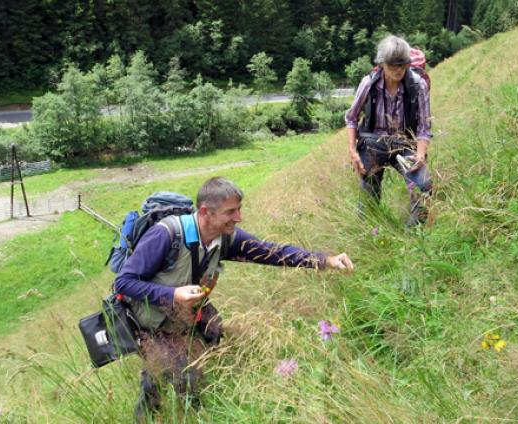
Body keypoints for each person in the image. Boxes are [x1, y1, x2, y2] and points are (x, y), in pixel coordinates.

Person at [114, 176, 354, 420]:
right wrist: (173, 294)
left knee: (213, 340)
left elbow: (271, 252)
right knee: (166, 377)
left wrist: (324, 260)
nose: (238, 217)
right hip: (152, 324)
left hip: (187, 316)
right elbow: (123, 282)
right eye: (231, 211)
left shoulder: (227, 238)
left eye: (239, 209)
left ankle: (197, 410)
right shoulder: (166, 235)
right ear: (206, 211)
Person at [345, 35, 433, 226]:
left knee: (424, 185)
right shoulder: (368, 84)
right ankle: (369, 234)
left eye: (403, 64)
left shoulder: (418, 85)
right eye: (393, 65)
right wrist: (353, 152)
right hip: (373, 141)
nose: (399, 69)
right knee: (369, 193)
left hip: (406, 142)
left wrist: (420, 155)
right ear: (382, 63)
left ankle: (413, 235)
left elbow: (424, 126)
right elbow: (351, 117)